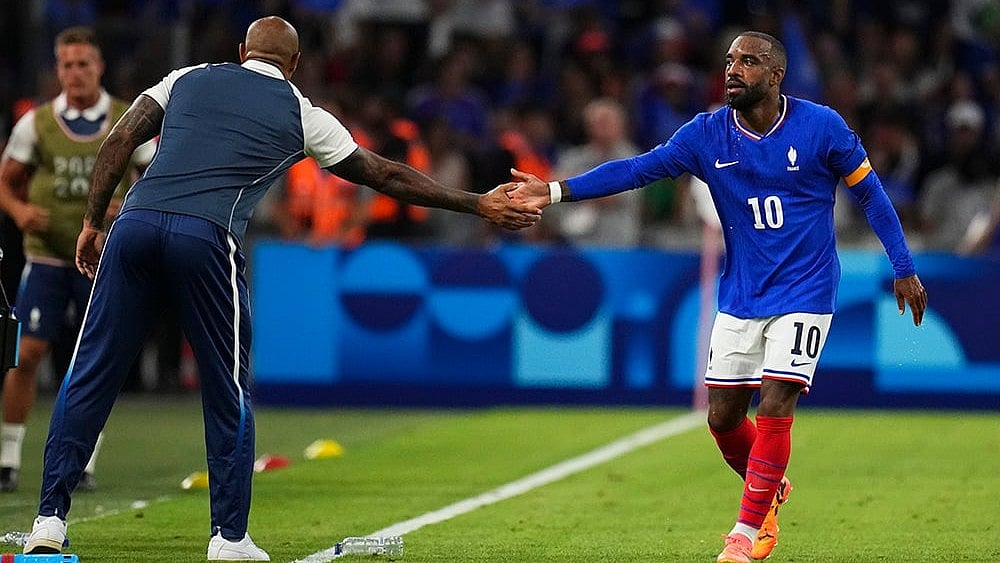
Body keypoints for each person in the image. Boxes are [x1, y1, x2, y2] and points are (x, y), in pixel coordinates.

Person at [21, 16, 540, 561]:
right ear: (294, 64)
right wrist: (476, 203)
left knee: (90, 373)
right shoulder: (302, 111)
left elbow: (120, 139)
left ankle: (48, 522)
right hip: (206, 236)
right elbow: (385, 175)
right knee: (228, 391)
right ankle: (228, 538)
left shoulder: (186, 77)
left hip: (133, 227)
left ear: (241, 50)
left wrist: (91, 223)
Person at [506, 31, 928, 563]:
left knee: (776, 401)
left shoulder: (822, 126)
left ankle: (744, 535)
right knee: (722, 419)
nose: (733, 69)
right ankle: (769, 485)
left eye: (748, 61)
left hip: (807, 288)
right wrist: (552, 191)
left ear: (776, 75)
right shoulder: (706, 135)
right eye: (730, 60)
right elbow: (636, 170)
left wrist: (903, 267)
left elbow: (870, 194)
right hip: (742, 293)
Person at [0, 26, 154, 494]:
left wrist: (130, 203)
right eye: (66, 64)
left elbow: (156, 177)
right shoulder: (37, 123)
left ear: (99, 67)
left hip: (104, 259)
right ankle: (8, 458)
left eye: (83, 63)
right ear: (58, 68)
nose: (75, 72)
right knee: (26, 353)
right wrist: (20, 211)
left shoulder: (129, 118)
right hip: (47, 256)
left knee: (93, 358)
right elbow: (5, 180)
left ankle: (84, 460)